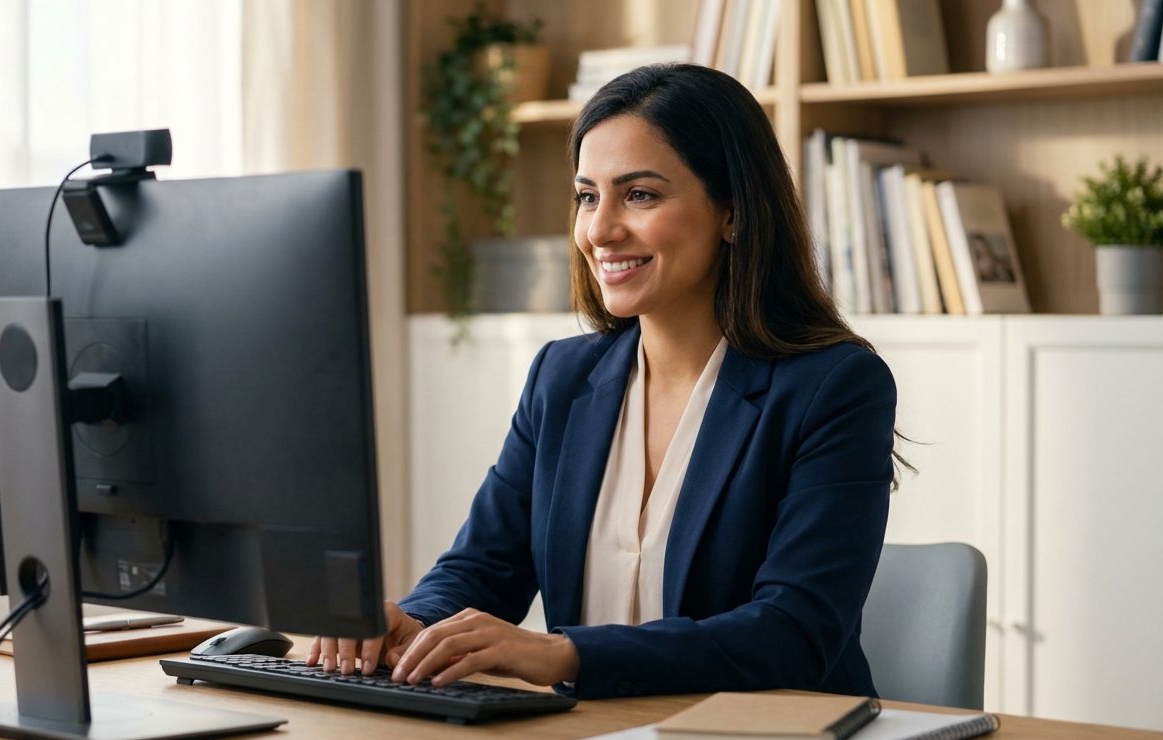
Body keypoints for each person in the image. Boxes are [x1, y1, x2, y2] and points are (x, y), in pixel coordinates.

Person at [308, 63, 901, 700]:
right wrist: (412, 622)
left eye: (640, 195)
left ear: (732, 210)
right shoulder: (562, 377)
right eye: (587, 196)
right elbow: (482, 568)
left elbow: (792, 635)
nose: (598, 230)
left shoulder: (834, 387)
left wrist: (564, 654)